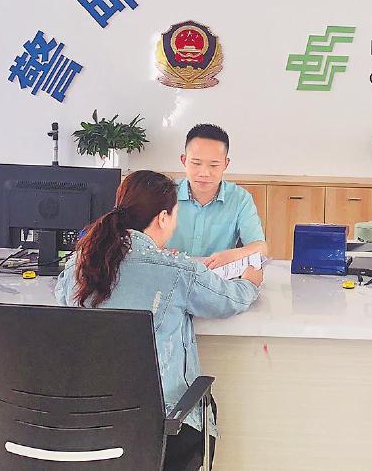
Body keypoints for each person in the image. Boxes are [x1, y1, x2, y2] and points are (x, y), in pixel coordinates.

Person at [55, 170, 263, 471]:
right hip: (163, 429)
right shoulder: (176, 269)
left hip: (87, 428)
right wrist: (250, 282)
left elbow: (64, 300)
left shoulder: (81, 263)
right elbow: (229, 300)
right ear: (163, 218)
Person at [169, 123, 269, 270]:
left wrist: (232, 255)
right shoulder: (165, 193)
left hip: (216, 277)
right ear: (184, 160)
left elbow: (260, 247)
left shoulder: (240, 198)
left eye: (214, 165)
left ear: (225, 164)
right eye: (196, 163)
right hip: (171, 273)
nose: (204, 173)